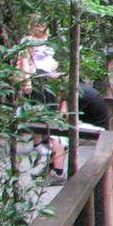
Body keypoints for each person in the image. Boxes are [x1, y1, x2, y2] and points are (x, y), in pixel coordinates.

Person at [16, 20, 67, 182]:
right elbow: (24, 62)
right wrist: (26, 82)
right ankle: (38, 144)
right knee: (37, 112)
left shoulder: (46, 41)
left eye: (42, 24)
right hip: (37, 79)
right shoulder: (27, 41)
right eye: (37, 24)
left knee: (50, 112)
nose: (40, 28)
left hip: (48, 80)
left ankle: (50, 146)